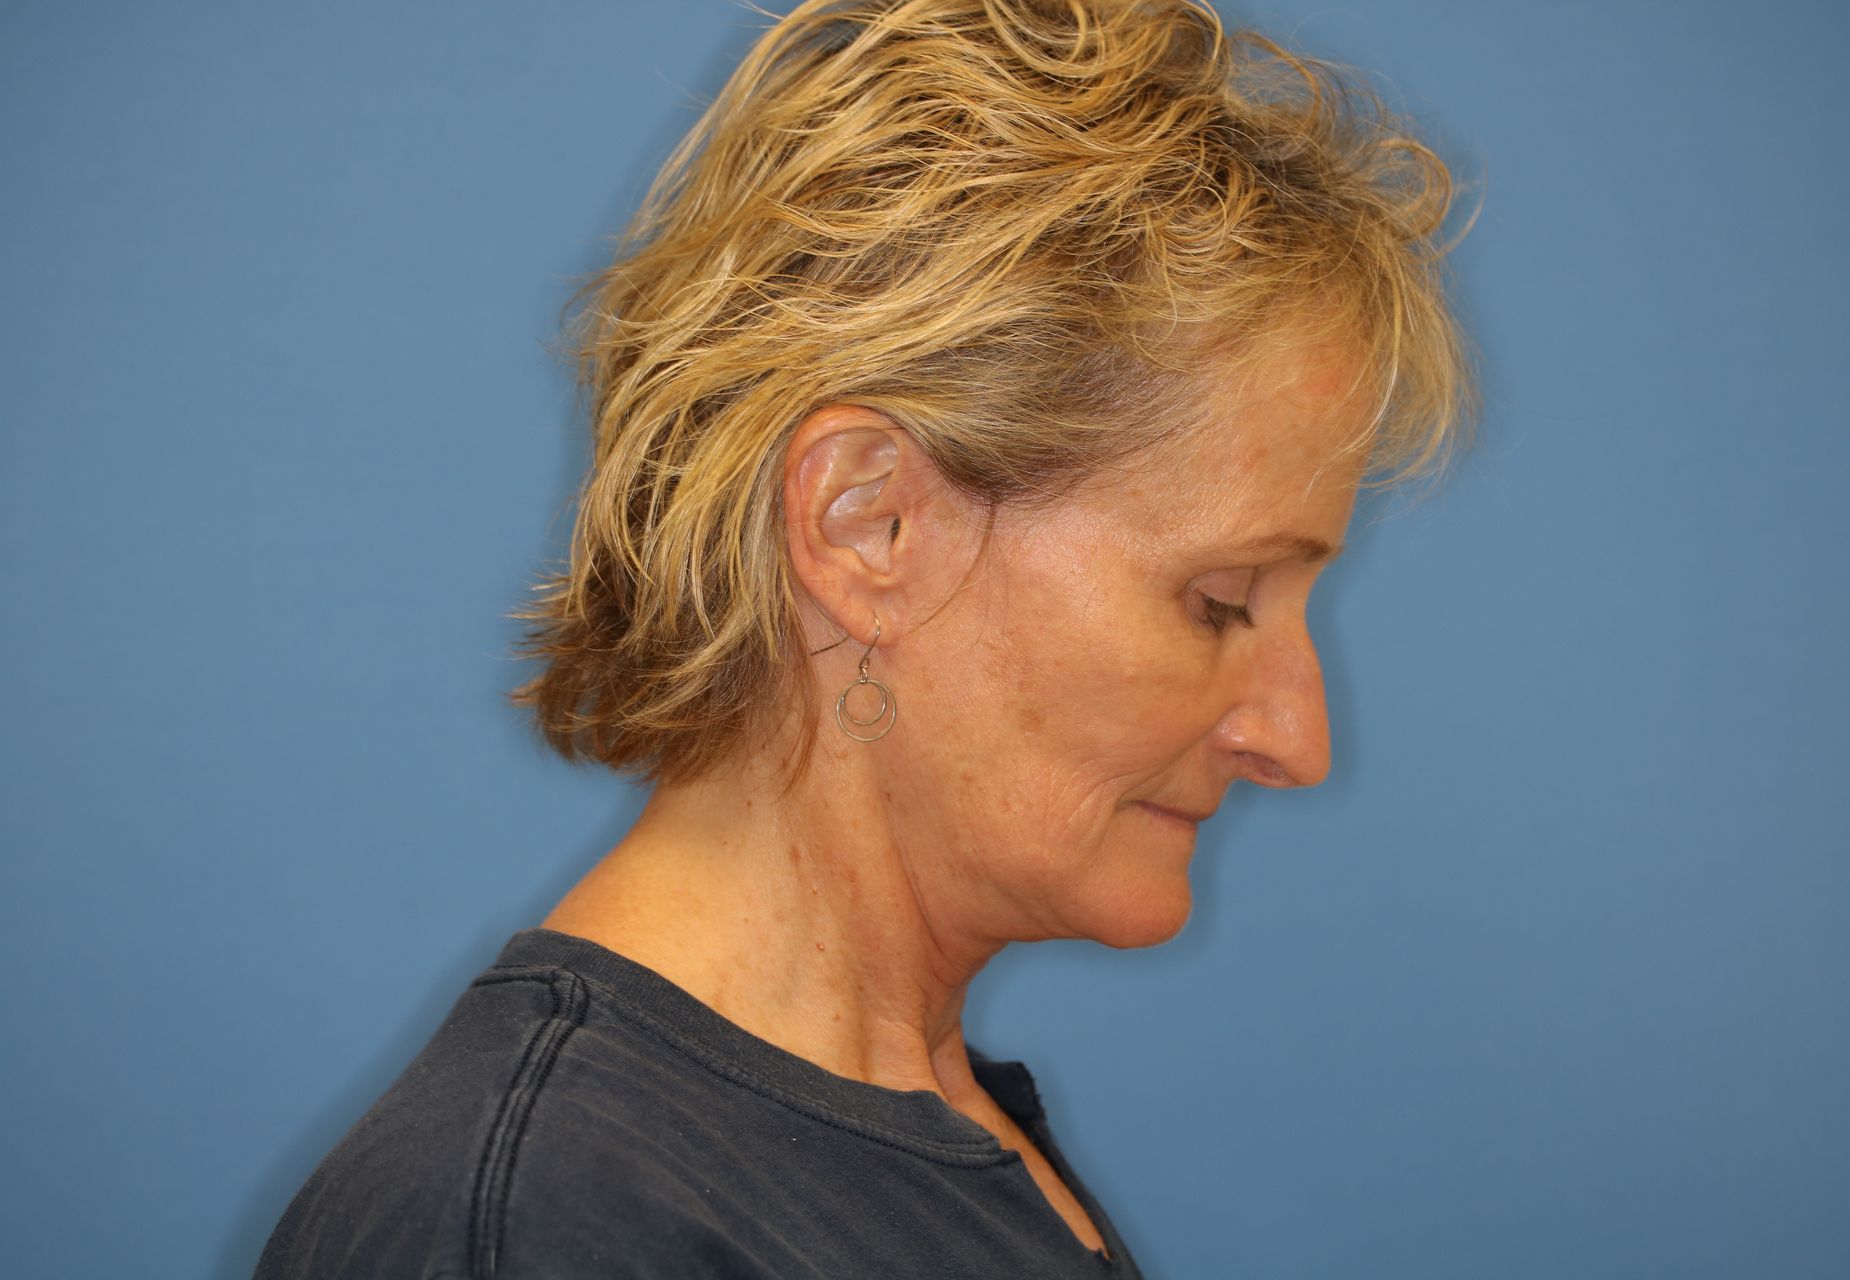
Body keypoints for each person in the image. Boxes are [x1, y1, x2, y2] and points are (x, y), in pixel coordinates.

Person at [252, 0, 1475, 1275]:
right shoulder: (537, 1223)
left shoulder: (931, 1136)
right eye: (1220, 600)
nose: (1298, 738)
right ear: (868, 524)